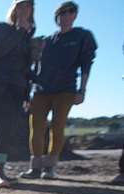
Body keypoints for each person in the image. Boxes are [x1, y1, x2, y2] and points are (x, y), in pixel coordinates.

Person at [21, 1, 97, 179]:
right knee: (36, 127)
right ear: (56, 17)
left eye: (70, 12)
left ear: (75, 15)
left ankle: (49, 168)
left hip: (65, 90)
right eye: (62, 13)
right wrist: (27, 94)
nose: (66, 15)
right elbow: (31, 68)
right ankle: (35, 167)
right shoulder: (46, 41)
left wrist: (82, 90)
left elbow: (86, 65)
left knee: (57, 126)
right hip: (41, 90)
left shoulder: (82, 37)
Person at [0, 0, 36, 188]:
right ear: (14, 9)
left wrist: (27, 96)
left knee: (5, 129)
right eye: (21, 5)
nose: (25, 9)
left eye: (28, 6)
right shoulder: (1, 29)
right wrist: (19, 31)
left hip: (14, 92)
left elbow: (26, 69)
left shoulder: (25, 39)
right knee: (3, 128)